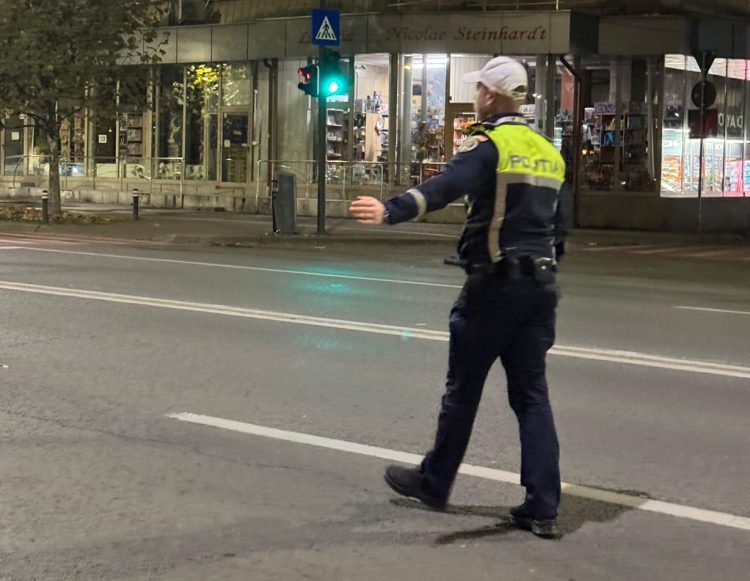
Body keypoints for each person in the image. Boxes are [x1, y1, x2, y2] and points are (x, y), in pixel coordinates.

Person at [348, 56, 566, 539]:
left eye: (480, 89)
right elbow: (560, 227)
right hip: (540, 287)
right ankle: (543, 506)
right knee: (532, 395)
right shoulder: (548, 150)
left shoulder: (490, 145)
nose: (476, 97)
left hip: (495, 287)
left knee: (463, 389)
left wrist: (391, 211)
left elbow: (447, 186)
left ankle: (435, 481)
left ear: (491, 94)